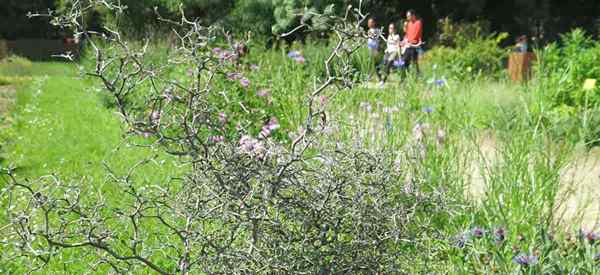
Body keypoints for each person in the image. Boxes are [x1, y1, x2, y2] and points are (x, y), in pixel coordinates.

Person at [402, 9, 423, 76]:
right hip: (409, 45)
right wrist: (404, 41)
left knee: (414, 62)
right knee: (405, 61)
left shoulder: (418, 23)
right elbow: (407, 34)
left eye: (408, 16)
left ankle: (417, 75)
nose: (407, 17)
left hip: (415, 45)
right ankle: (405, 77)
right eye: (407, 16)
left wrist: (410, 41)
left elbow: (416, 34)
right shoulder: (409, 24)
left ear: (413, 15)